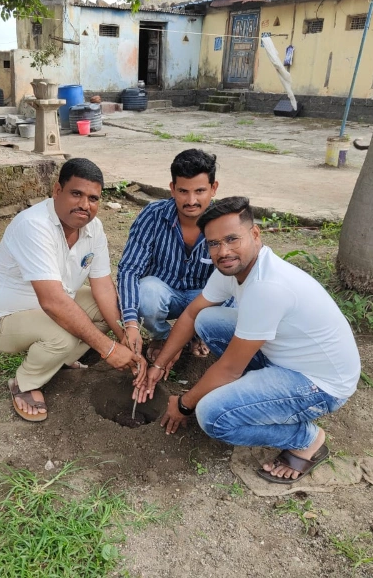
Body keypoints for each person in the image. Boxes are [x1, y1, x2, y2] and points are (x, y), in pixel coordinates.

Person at [133, 196, 360, 483]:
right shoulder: (234, 268)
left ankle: (306, 439)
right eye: (213, 243)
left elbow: (229, 369)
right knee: (207, 320)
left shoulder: (267, 287)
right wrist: (159, 364)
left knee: (211, 415)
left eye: (231, 239)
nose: (223, 251)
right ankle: (259, 395)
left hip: (320, 385)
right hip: (287, 357)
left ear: (255, 234)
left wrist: (184, 404)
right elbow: (191, 314)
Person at [0, 158, 145, 422]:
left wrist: (123, 335)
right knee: (62, 336)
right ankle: (25, 383)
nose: (84, 205)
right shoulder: (34, 226)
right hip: (5, 319)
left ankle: (60, 361)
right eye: (76, 194)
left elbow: (102, 286)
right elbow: (53, 302)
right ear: (57, 191)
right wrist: (109, 350)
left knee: (106, 309)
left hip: (53, 304)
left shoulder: (94, 228)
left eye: (93, 198)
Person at [117, 149, 219, 364]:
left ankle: (198, 334)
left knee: (229, 300)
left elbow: (237, 279)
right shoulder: (153, 215)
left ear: (213, 188)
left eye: (200, 191)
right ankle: (162, 337)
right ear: (172, 189)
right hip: (164, 295)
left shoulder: (224, 222)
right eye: (183, 191)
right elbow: (129, 269)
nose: (191, 200)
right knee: (146, 293)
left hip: (203, 300)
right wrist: (130, 323)